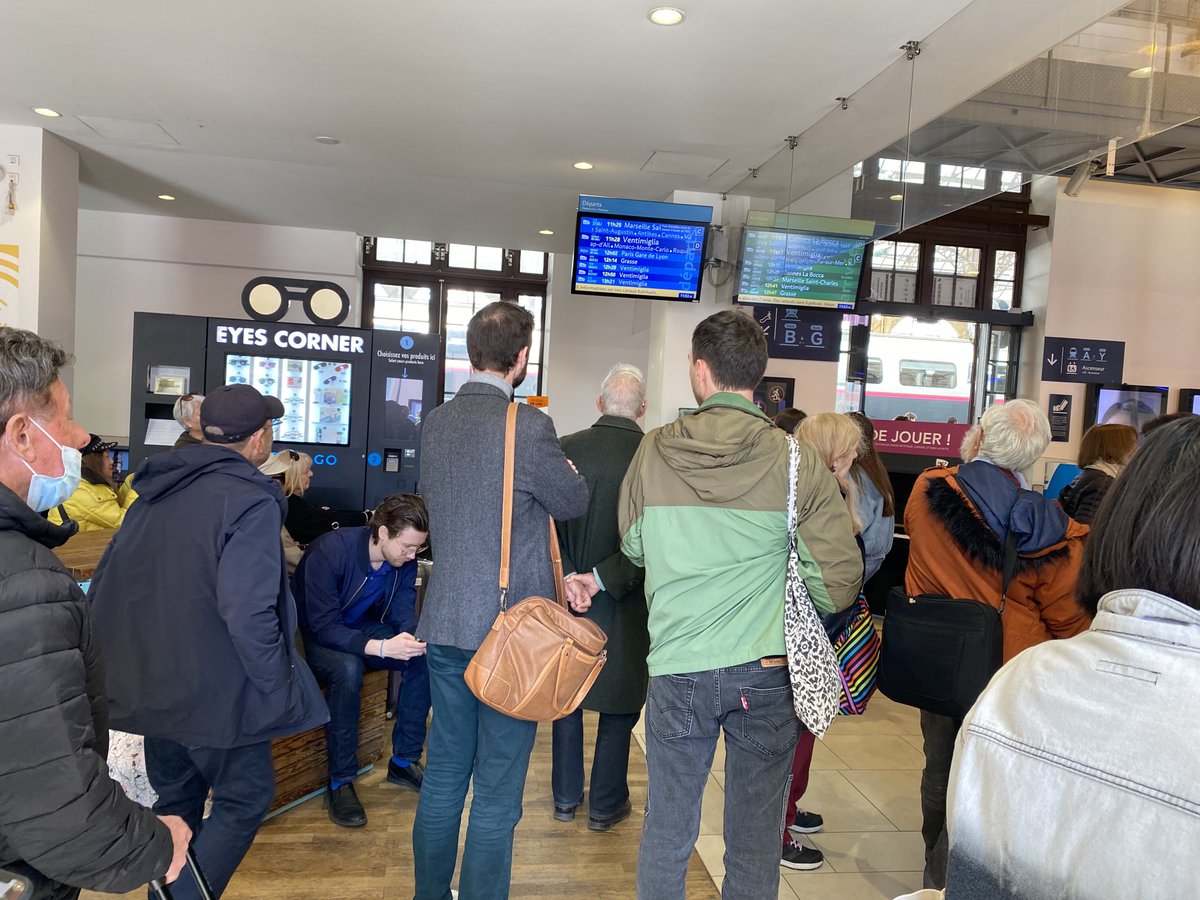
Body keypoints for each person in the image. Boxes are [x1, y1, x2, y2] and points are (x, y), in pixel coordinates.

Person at [619, 310, 862, 900]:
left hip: (677, 668)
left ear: (700, 372)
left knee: (668, 826)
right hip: (767, 672)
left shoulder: (652, 452)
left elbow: (632, 545)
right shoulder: (796, 461)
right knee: (753, 839)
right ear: (758, 379)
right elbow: (840, 580)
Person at [88, 383, 328, 900]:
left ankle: (165, 893)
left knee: (177, 804)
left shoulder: (153, 495)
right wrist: (276, 685)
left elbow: (111, 589)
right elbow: (249, 609)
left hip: (151, 688)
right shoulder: (251, 501)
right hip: (213, 695)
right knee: (245, 797)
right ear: (260, 440)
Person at [945, 415, 1200, 898]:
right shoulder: (1051, 528)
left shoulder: (1023, 685)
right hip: (1009, 643)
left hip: (956, 650)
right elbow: (1062, 608)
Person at [0, 327, 189, 898]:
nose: (81, 437)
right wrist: (155, 841)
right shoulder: (25, 583)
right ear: (21, 435)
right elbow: (53, 795)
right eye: (64, 418)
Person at [412, 301, 589, 900]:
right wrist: (566, 471)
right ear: (521, 359)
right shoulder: (529, 425)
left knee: (443, 777)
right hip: (512, 633)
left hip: (445, 621)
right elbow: (572, 502)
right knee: (497, 788)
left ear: (470, 353)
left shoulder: (435, 422)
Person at [903, 398, 1091, 890]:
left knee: (940, 767)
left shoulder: (928, 490)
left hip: (940, 662)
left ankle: (934, 872)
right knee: (989, 784)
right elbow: (1071, 622)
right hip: (1010, 679)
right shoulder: (1053, 532)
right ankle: (966, 879)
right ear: (1032, 457)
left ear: (980, 437)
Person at [293, 494, 432, 828]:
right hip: (311, 635)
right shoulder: (329, 551)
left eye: (417, 549)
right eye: (407, 547)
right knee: (347, 669)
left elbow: (401, 610)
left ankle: (404, 760)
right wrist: (381, 649)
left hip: (357, 627)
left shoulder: (403, 560)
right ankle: (341, 781)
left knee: (422, 657)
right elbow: (324, 627)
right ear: (382, 533)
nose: (412, 555)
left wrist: (410, 638)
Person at [550, 363, 648, 832]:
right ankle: (606, 805)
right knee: (620, 704)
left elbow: (543, 524)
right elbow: (656, 538)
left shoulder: (564, 448)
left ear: (598, 403)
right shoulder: (655, 457)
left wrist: (570, 575)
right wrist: (603, 577)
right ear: (643, 409)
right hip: (628, 604)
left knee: (567, 697)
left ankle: (566, 798)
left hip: (567, 598)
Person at [259, 448, 369, 568]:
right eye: (306, 472)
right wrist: (367, 516)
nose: (311, 474)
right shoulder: (292, 507)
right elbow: (325, 521)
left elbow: (322, 515)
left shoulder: (287, 502)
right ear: (293, 477)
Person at [47, 433, 135, 530]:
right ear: (93, 460)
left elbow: (115, 506)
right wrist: (137, 489)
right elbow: (123, 521)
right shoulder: (80, 491)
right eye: (106, 457)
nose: (111, 461)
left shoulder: (87, 484)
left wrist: (131, 482)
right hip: (76, 545)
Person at [1056, 422, 1137, 524]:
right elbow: (1087, 533)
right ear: (1115, 448)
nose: (1138, 450)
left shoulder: (1088, 476)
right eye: (1133, 444)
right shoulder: (1103, 484)